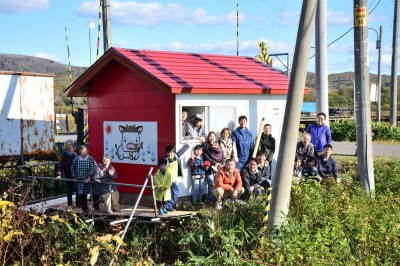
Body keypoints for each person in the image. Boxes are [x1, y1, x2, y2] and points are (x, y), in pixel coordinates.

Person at [71, 146, 97, 212]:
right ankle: (84, 208)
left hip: (89, 179)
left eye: (85, 151)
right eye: (82, 152)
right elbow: (73, 168)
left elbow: (93, 167)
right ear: (80, 152)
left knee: (94, 192)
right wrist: (74, 177)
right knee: (82, 194)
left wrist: (89, 176)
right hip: (80, 179)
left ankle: (95, 207)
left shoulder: (90, 158)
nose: (84, 153)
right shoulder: (76, 159)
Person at [202, 131, 223, 203]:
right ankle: (210, 199)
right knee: (210, 184)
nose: (212, 138)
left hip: (217, 168)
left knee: (216, 183)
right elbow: (206, 156)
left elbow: (221, 154)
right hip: (209, 167)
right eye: (210, 136)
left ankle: (215, 199)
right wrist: (215, 163)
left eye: (213, 137)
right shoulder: (205, 145)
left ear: (215, 138)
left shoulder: (217, 145)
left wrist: (221, 163)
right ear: (208, 137)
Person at [55, 139, 76, 209]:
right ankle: (70, 204)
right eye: (67, 145)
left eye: (70, 145)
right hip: (69, 174)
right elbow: (61, 165)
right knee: (69, 190)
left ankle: (79, 204)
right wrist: (59, 174)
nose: (69, 146)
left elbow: (81, 160)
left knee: (79, 189)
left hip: (77, 174)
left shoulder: (76, 152)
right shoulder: (64, 154)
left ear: (72, 145)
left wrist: (74, 154)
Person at [163, 145, 183, 212]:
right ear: (166, 152)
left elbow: (181, 151)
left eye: (172, 152)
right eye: (169, 152)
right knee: (167, 194)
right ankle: (167, 207)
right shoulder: (165, 159)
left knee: (175, 194)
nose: (170, 154)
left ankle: (168, 206)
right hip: (167, 180)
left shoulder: (176, 156)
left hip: (174, 180)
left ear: (174, 152)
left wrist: (187, 144)